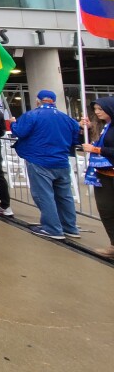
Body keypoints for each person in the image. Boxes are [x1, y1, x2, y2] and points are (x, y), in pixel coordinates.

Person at [10, 90, 81, 239]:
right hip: (61, 161)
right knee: (64, 196)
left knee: (44, 195)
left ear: (38, 100)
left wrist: (13, 124)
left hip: (39, 160)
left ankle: (52, 228)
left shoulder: (32, 115)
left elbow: (20, 132)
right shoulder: (67, 118)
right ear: (53, 101)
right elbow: (76, 138)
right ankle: (70, 227)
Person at [80, 97, 114, 258]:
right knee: (106, 209)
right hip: (102, 174)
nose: (97, 112)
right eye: (96, 109)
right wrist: (86, 128)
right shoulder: (105, 126)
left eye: (101, 109)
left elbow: (105, 147)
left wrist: (97, 150)